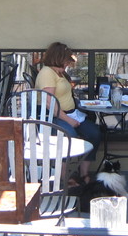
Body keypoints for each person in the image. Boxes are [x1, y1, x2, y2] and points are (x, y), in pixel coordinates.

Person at [35, 42, 102, 185]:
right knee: (68, 136)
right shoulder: (47, 73)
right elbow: (49, 102)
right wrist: (68, 119)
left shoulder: (60, 73)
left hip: (71, 113)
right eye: (66, 60)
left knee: (94, 133)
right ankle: (64, 176)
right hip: (54, 116)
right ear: (58, 58)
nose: (68, 63)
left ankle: (84, 173)